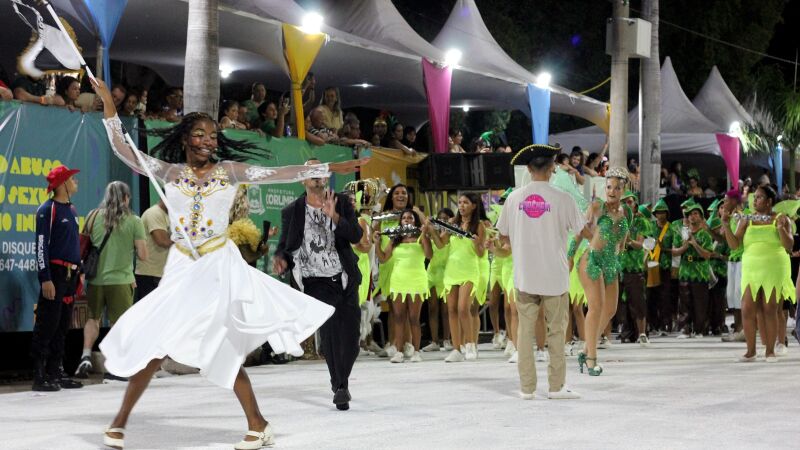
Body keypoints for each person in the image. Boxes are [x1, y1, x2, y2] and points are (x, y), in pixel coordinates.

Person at [92, 79, 362, 449]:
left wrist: (332, 165)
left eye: (213, 135)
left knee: (220, 345)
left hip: (217, 266)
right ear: (186, 137)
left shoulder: (229, 172)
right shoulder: (170, 173)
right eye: (200, 134)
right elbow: (126, 151)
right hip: (182, 267)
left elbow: (279, 174)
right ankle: (121, 422)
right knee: (155, 341)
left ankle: (256, 422)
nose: (208, 140)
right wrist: (108, 106)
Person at [273, 158, 364, 412]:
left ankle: (341, 381)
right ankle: (340, 386)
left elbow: (356, 236)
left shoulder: (342, 203)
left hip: (344, 277)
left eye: (320, 171)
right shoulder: (292, 211)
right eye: (311, 172)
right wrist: (281, 259)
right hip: (315, 281)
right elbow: (285, 245)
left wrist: (335, 216)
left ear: (326, 177)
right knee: (332, 329)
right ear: (303, 179)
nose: (316, 176)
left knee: (352, 338)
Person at [498, 144, 584, 399]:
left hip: (525, 274)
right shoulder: (563, 198)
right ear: (552, 168)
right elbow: (581, 230)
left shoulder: (514, 198)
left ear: (527, 169)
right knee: (556, 332)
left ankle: (527, 389)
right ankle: (556, 387)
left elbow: (502, 237)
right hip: (555, 276)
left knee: (524, 332)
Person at [75, 181, 148, 381]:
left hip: (96, 280)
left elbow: (82, 246)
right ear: (126, 198)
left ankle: (86, 355)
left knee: (93, 319)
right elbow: (143, 255)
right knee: (119, 324)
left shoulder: (92, 216)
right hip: (121, 281)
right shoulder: (134, 221)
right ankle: (115, 367)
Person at [721, 185, 794, 362]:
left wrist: (781, 229)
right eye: (755, 197)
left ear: (769, 202)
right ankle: (751, 351)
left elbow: (789, 246)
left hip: (773, 266)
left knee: (769, 308)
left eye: (759, 197)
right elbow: (734, 245)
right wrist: (725, 223)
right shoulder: (746, 219)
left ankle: (770, 351)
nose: (755, 200)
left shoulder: (781, 218)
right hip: (751, 267)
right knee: (747, 308)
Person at [572, 167, 631, 376]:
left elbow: (622, 245)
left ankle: (586, 349)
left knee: (610, 310)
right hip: (592, 261)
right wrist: (570, 257)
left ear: (624, 189)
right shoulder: (597, 206)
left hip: (611, 264)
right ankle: (591, 360)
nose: (612, 191)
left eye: (617, 187)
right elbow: (580, 231)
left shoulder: (625, 213)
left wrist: (619, 260)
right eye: (609, 187)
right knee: (596, 307)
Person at [31, 165, 84, 391]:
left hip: (71, 275)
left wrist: (79, 270)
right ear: (62, 184)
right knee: (47, 324)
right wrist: (46, 278)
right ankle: (40, 376)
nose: (76, 182)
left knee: (62, 325)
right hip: (55, 274)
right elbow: (41, 246)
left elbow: (72, 244)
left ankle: (56, 371)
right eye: (72, 179)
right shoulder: (47, 210)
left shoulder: (71, 209)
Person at [374, 209, 433, 362]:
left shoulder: (421, 236)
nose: (407, 220)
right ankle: (399, 351)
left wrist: (425, 235)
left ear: (415, 221)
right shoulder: (395, 239)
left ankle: (416, 351)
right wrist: (377, 243)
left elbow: (429, 255)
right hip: (398, 280)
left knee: (414, 318)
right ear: (400, 221)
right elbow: (383, 259)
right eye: (404, 218)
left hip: (417, 280)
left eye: (410, 218)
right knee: (399, 317)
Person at [433, 192, 486, 362]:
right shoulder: (452, 224)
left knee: (464, 308)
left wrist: (477, 242)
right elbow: (441, 245)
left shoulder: (479, 226)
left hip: (469, 271)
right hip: (451, 271)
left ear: (474, 205)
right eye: (460, 203)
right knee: (452, 309)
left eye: (465, 202)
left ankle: (470, 344)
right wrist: (430, 231)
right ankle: (456, 349)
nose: (461, 206)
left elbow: (480, 253)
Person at [671, 200, 714, 338]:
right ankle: (685, 329)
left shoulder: (705, 235)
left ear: (701, 217)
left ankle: (699, 329)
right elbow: (674, 251)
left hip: (700, 272)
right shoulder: (682, 233)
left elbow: (707, 255)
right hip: (685, 270)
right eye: (690, 214)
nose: (692, 216)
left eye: (696, 214)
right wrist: (684, 246)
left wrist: (694, 244)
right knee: (684, 301)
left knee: (700, 302)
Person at [618, 191, 649, 345]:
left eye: (629, 202)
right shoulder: (616, 222)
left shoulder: (641, 222)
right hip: (619, 269)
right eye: (624, 202)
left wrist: (628, 240)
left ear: (635, 204)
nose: (627, 205)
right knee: (620, 305)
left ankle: (642, 334)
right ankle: (624, 333)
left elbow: (640, 245)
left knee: (638, 303)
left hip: (634, 269)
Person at [423, 208, 454, 353]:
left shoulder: (452, 233)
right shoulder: (432, 232)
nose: (443, 220)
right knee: (432, 308)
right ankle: (434, 341)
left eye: (446, 218)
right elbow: (428, 254)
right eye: (440, 218)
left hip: (447, 272)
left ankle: (447, 339)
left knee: (446, 309)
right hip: (433, 273)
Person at [134, 201, 172, 302]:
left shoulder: (167, 214)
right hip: (149, 275)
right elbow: (162, 241)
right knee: (148, 312)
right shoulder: (154, 213)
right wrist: (182, 242)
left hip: (159, 273)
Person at [720, 189, 745, 342]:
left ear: (735, 201)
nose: (724, 203)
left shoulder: (742, 216)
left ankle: (743, 329)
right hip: (732, 260)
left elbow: (735, 244)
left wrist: (725, 224)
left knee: (740, 295)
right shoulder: (731, 217)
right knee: (732, 296)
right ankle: (738, 328)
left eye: (726, 200)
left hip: (743, 259)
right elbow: (726, 241)